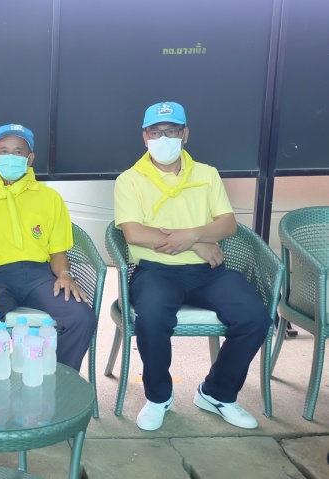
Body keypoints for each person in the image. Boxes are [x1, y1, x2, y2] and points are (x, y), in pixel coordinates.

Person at [114, 101, 272, 431]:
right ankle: (158, 397)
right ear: (145, 137)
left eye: (172, 131)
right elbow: (134, 233)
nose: (164, 139)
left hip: (207, 272)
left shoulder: (206, 174)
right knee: (152, 319)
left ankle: (217, 394)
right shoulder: (129, 179)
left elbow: (228, 225)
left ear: (185, 134)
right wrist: (196, 241)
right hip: (155, 271)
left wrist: (193, 235)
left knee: (255, 317)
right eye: (156, 132)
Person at [0, 123, 97, 371]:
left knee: (82, 318)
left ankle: (57, 380)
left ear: (30, 159)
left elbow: (58, 251)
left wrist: (64, 274)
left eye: (18, 152)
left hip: (41, 277)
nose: (10, 157)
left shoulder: (49, 197)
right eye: (4, 151)